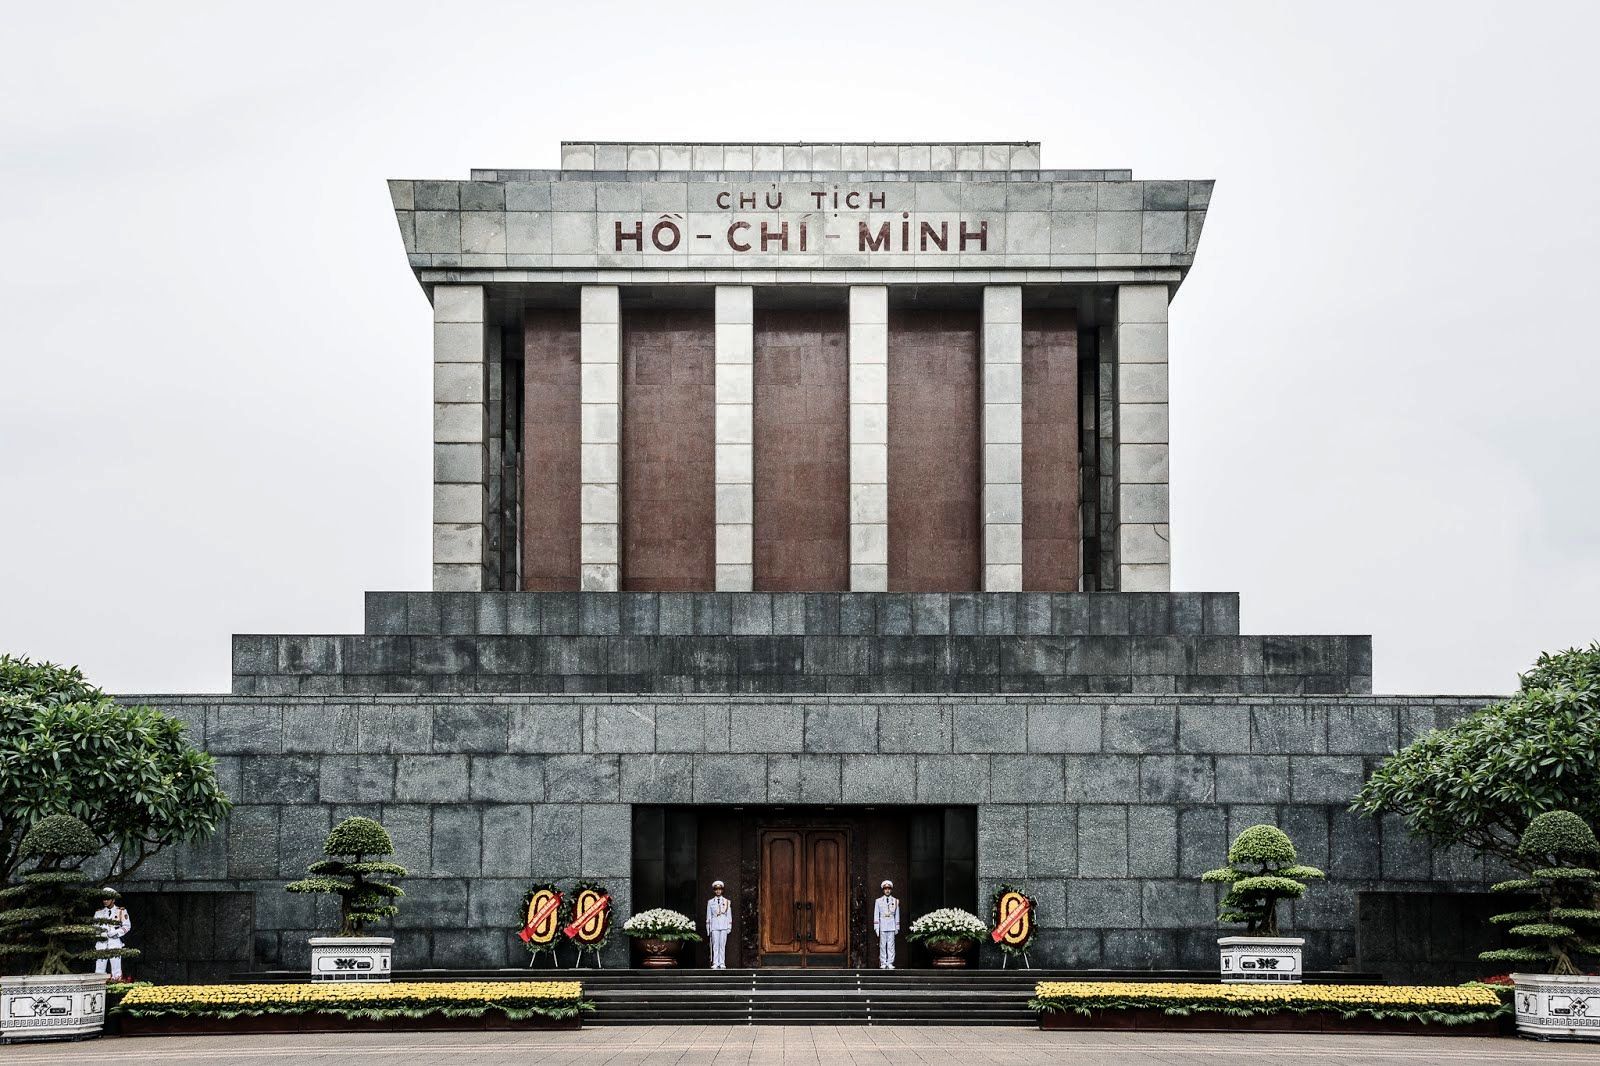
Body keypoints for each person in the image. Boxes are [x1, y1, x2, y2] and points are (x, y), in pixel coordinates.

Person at [93, 890, 131, 982]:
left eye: (107, 899)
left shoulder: (121, 911)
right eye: (104, 899)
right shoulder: (99, 913)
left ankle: (116, 984)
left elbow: (127, 926)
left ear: (113, 900)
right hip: (102, 942)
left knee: (116, 966)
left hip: (115, 941)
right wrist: (102, 933)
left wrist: (116, 932)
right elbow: (94, 928)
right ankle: (99, 985)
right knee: (100, 967)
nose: (105, 901)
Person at [872, 879, 900, 969]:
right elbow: (876, 914)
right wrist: (876, 927)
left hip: (891, 925)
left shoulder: (895, 901)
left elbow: (897, 914)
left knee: (891, 945)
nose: (887, 890)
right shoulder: (878, 901)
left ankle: (890, 962)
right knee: (883, 945)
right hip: (883, 925)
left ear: (891, 889)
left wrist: (897, 927)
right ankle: (883, 962)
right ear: (883, 890)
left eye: (889, 888)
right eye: (885, 888)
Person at [705, 879, 732, 969]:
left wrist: (729, 926)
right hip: (715, 925)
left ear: (722, 890)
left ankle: (722, 962)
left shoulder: (727, 902)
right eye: (716, 889)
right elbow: (708, 916)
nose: (718, 891)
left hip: (724, 925)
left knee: (722, 945)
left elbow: (729, 915)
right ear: (714, 890)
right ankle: (715, 962)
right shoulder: (710, 902)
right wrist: (708, 928)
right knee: (715, 945)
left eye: (719, 889)